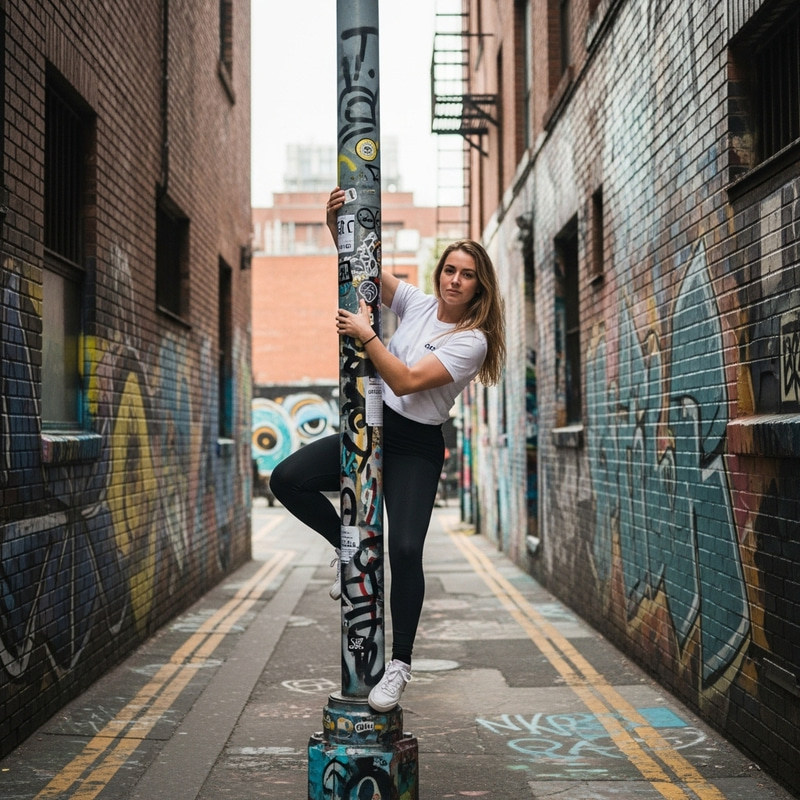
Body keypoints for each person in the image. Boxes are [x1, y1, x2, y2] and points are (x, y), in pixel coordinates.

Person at [269, 187, 506, 712]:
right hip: (369, 428)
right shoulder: (419, 303)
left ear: (478, 286)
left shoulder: (473, 341)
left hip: (416, 446)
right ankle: (344, 548)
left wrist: (365, 334)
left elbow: (403, 380)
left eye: (466, 274)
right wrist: (336, 225)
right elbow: (365, 275)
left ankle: (399, 665)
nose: (454, 279)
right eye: (450, 269)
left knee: (404, 551)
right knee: (286, 480)